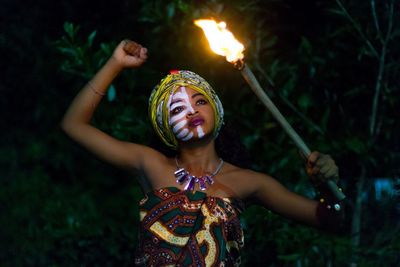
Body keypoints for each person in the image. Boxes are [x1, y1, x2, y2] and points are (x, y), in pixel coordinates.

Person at [61, 40, 344, 266]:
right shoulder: (150, 163)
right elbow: (73, 125)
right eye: (177, 109)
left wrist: (325, 184)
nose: (192, 110)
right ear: (165, 128)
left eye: (199, 101)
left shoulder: (250, 182)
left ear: (217, 111)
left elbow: (334, 220)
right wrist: (116, 63)